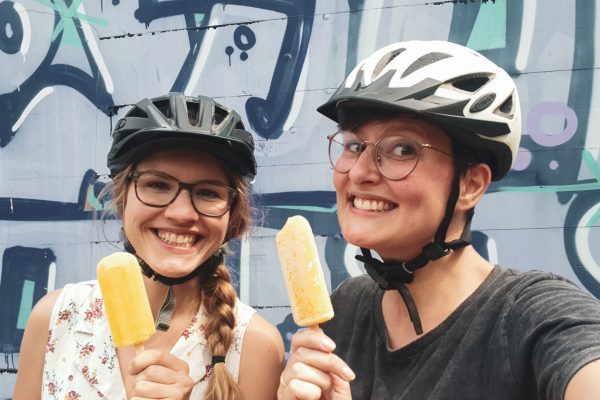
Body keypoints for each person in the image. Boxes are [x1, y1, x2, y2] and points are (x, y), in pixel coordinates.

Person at [277, 40, 600, 400]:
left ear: (470, 184)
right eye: (354, 145)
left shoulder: (531, 316)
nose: (360, 172)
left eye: (402, 149)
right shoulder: (346, 310)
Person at [14, 93, 285, 399]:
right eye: (157, 185)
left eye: (208, 193)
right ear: (122, 196)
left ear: (232, 215)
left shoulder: (255, 347)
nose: (182, 213)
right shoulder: (56, 317)